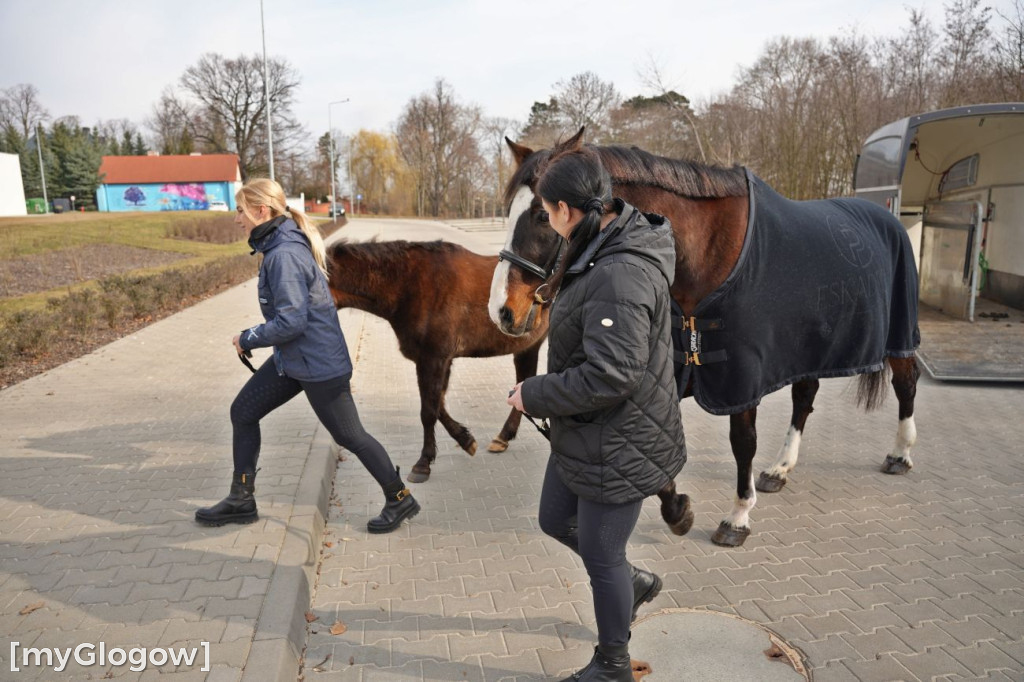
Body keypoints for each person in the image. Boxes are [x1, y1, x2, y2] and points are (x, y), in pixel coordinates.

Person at [506, 147, 686, 681]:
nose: (551, 224)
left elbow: (611, 375)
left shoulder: (618, 272)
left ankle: (613, 665)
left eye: (546, 212)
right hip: (587, 430)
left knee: (602, 555)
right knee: (553, 518)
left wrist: (533, 393)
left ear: (566, 209)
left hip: (620, 440)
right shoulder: (599, 243)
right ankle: (630, 584)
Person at [195, 178, 419, 534]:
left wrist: (248, 337)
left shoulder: (283, 254)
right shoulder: (279, 244)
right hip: (294, 362)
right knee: (243, 411)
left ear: (260, 211)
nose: (237, 219)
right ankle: (241, 499)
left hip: (317, 366)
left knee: (351, 435)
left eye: (240, 211)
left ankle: (399, 497)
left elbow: (292, 321)